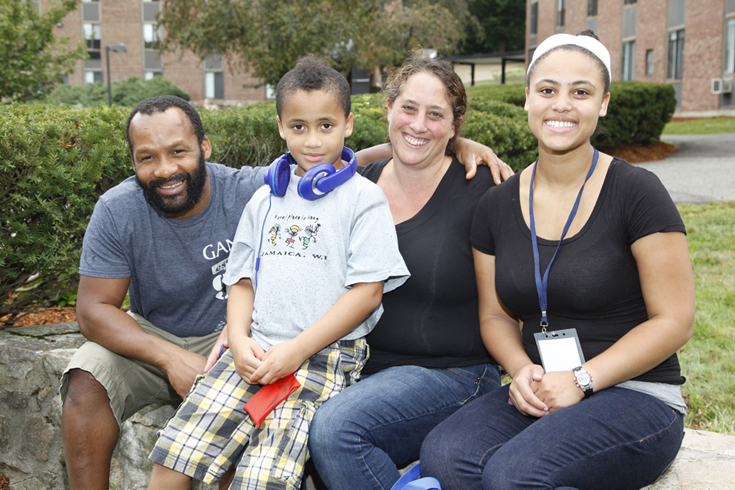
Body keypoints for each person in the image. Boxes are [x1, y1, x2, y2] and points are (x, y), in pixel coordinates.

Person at [59, 92, 508, 490]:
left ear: (205, 148)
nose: (166, 168)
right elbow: (96, 310)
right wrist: (201, 348)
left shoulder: (260, 188)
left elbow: (326, 159)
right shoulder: (125, 209)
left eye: (178, 151)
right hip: (200, 341)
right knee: (149, 432)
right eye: (147, 157)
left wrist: (448, 142)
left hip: (285, 347)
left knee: (261, 464)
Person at [420, 31, 695, 490]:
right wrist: (521, 368)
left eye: (581, 92)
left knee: (515, 474)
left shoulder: (637, 192)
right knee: (445, 458)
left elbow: (675, 321)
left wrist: (584, 379)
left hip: (637, 393)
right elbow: (494, 314)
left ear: (603, 103)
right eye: (548, 90)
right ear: (527, 98)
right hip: (542, 385)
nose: (561, 105)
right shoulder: (495, 204)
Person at [145, 55, 410, 490]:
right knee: (177, 455)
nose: (312, 139)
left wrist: (295, 351)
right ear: (281, 126)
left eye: (326, 125)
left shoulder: (364, 199)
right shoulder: (265, 199)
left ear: (348, 124)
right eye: (299, 126)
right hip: (253, 350)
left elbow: (366, 294)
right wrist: (238, 335)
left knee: (262, 479)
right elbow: (241, 279)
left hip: (321, 357)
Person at [308, 55, 505, 490]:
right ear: (389, 110)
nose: (419, 124)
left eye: (436, 115)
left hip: (455, 375)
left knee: (336, 428)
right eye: (409, 109)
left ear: (455, 127)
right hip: (354, 368)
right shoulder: (353, 184)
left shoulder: (482, 192)